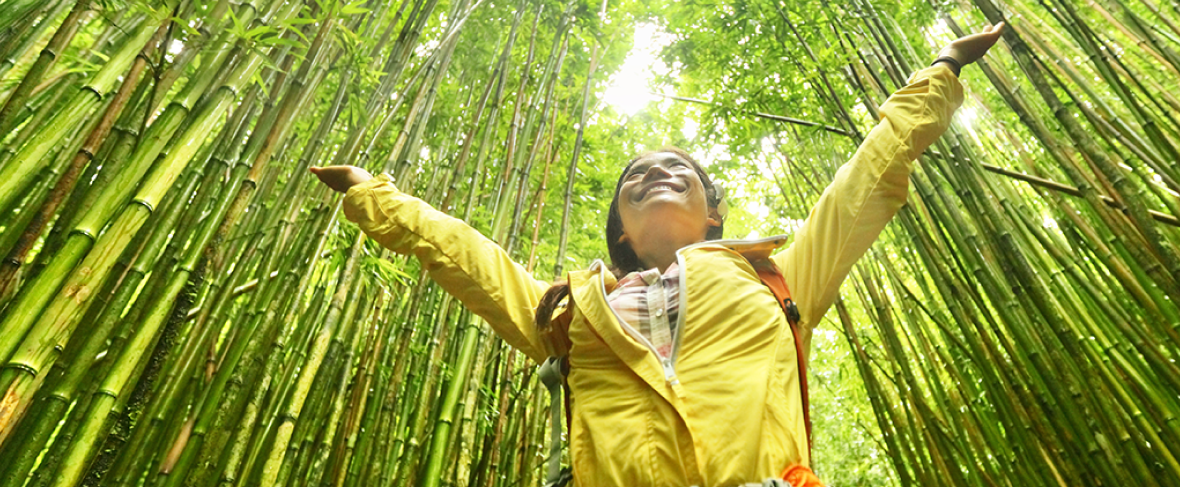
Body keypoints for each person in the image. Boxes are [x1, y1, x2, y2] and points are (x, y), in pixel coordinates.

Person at [309, 23, 1007, 487]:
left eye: (681, 169)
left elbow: (871, 173)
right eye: (634, 177)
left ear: (713, 213)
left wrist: (941, 70)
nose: (656, 172)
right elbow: (463, 254)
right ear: (619, 227)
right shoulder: (569, 313)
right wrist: (376, 196)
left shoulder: (778, 277)